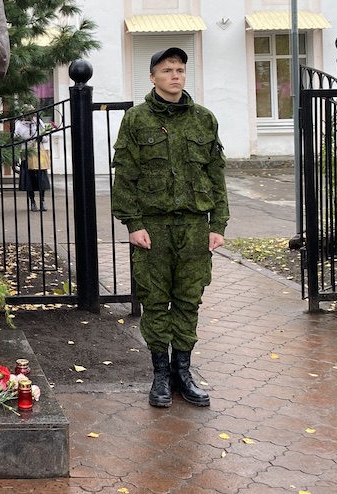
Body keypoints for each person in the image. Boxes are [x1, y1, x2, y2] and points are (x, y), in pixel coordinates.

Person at [110, 47, 229, 409]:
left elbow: (216, 175)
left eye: (180, 69)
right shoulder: (137, 120)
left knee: (189, 300)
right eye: (167, 70)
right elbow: (125, 176)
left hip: (195, 227)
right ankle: (160, 374)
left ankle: (183, 372)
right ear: (153, 77)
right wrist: (133, 223)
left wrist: (218, 223)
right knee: (156, 301)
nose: (175, 75)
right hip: (154, 228)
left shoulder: (204, 120)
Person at [14, 108, 51, 211]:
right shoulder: (19, 124)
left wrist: (41, 138)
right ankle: (32, 201)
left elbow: (46, 138)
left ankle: (42, 200)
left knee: (41, 177)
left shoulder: (38, 122)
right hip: (26, 153)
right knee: (29, 178)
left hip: (38, 153)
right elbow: (16, 139)